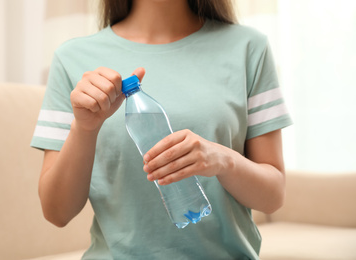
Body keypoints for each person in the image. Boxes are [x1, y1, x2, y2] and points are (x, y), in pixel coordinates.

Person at [31, 0, 292, 259]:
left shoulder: (249, 48)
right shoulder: (72, 58)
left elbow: (273, 197)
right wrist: (84, 129)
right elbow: (56, 212)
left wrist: (223, 160)